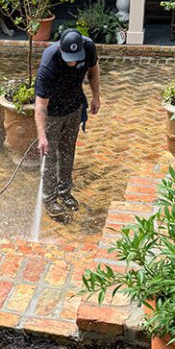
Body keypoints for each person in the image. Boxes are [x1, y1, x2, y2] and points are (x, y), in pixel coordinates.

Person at [34, 28, 100, 220]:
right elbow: (40, 106)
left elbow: (93, 72)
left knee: (68, 150)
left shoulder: (88, 47)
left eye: (75, 57)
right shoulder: (49, 62)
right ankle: (49, 197)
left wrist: (96, 96)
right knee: (50, 156)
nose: (72, 62)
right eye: (68, 57)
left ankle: (64, 192)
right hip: (52, 114)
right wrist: (42, 136)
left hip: (74, 107)